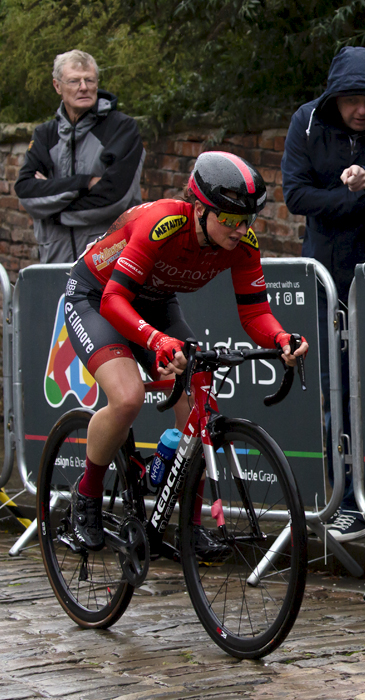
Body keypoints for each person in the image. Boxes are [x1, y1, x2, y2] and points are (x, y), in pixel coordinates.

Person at [64, 151, 308, 553]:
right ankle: (85, 498)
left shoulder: (242, 243)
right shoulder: (161, 224)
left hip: (155, 303)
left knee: (200, 405)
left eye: (247, 220)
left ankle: (189, 527)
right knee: (127, 398)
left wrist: (281, 337)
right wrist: (158, 341)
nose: (240, 228)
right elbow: (113, 302)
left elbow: (255, 313)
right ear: (199, 208)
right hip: (97, 298)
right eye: (229, 219)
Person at [282, 46, 365, 542]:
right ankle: (339, 495)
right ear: (334, 97)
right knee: (331, 387)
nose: (361, 111)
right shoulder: (308, 122)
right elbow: (295, 194)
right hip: (325, 276)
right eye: (351, 100)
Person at [15, 49, 144, 263]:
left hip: (108, 261)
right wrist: (84, 182)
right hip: (55, 263)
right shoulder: (44, 134)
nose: (83, 87)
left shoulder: (122, 128)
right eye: (74, 81)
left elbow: (116, 197)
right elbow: (27, 192)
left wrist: (54, 211)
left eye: (89, 80)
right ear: (57, 86)